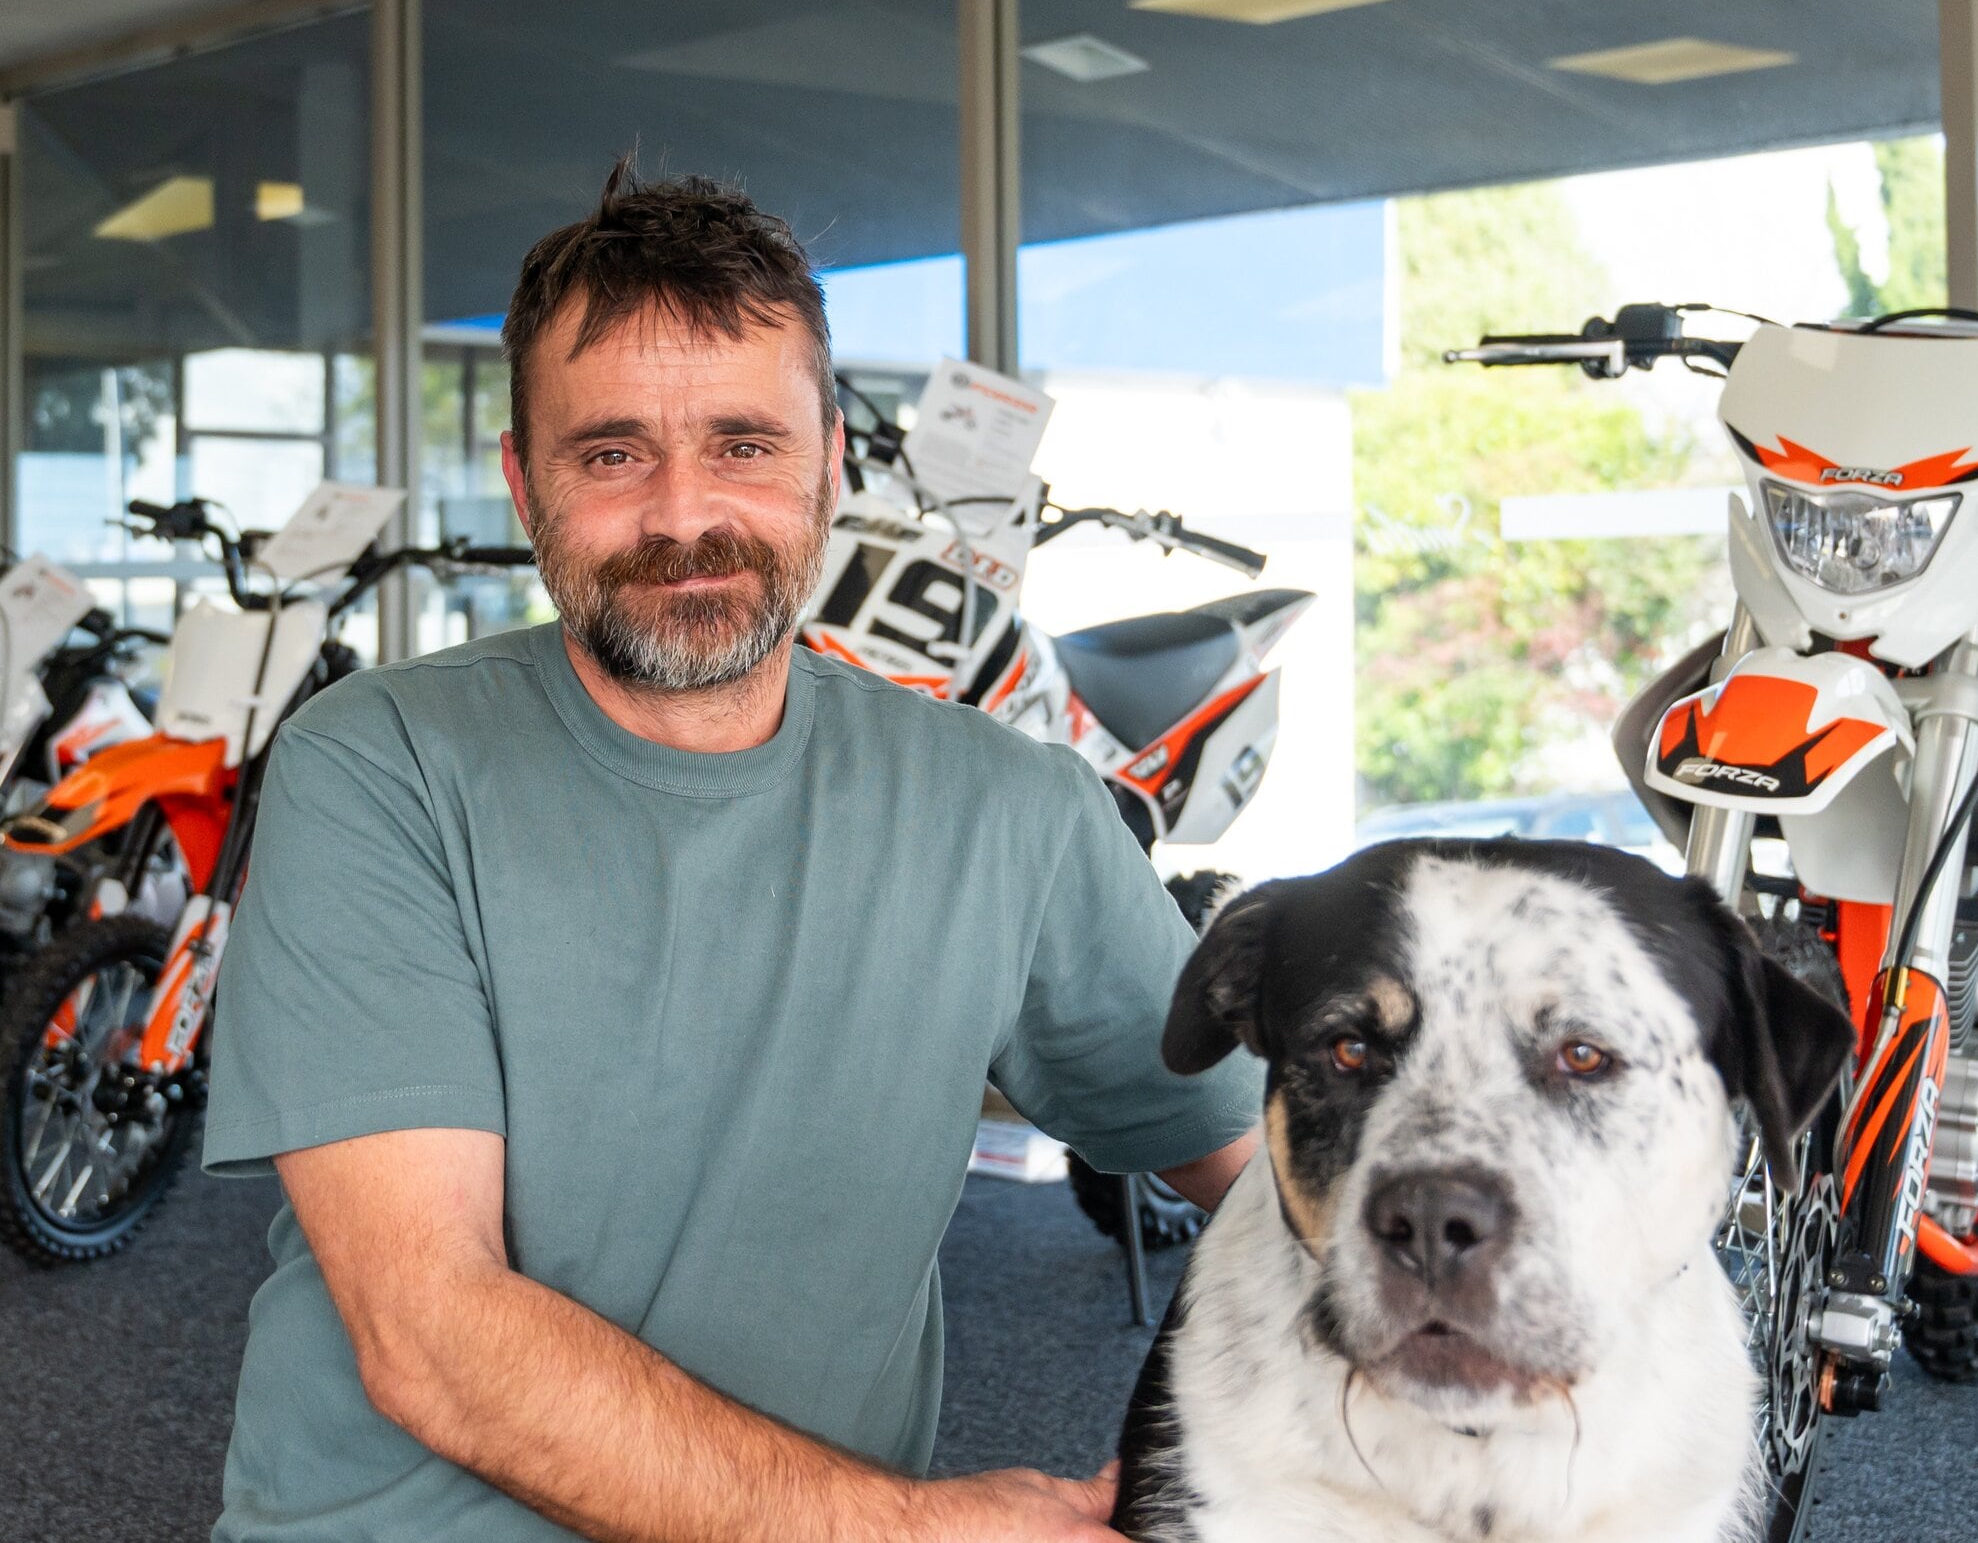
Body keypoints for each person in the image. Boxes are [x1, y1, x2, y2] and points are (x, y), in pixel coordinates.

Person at [203, 162, 1262, 1543]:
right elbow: (430, 1331)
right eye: (611, 452)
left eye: (745, 446)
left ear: (830, 461)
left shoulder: (1011, 810)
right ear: (525, 481)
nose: (682, 514)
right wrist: (905, 1529)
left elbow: (1291, 1182)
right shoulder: (378, 765)